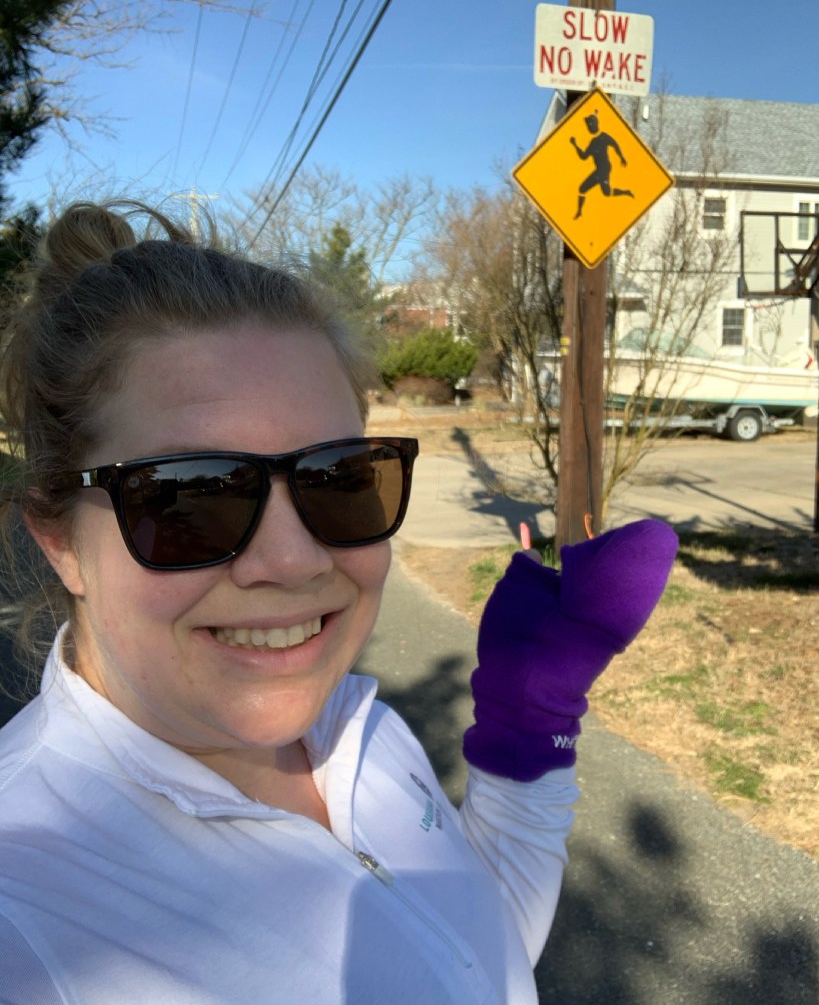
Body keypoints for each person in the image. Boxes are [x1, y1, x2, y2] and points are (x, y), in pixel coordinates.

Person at [0, 201, 678, 1004]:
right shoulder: (29, 918)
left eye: (340, 479)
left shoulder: (357, 726)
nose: (294, 559)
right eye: (188, 497)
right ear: (58, 538)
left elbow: (471, 952)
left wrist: (527, 723)